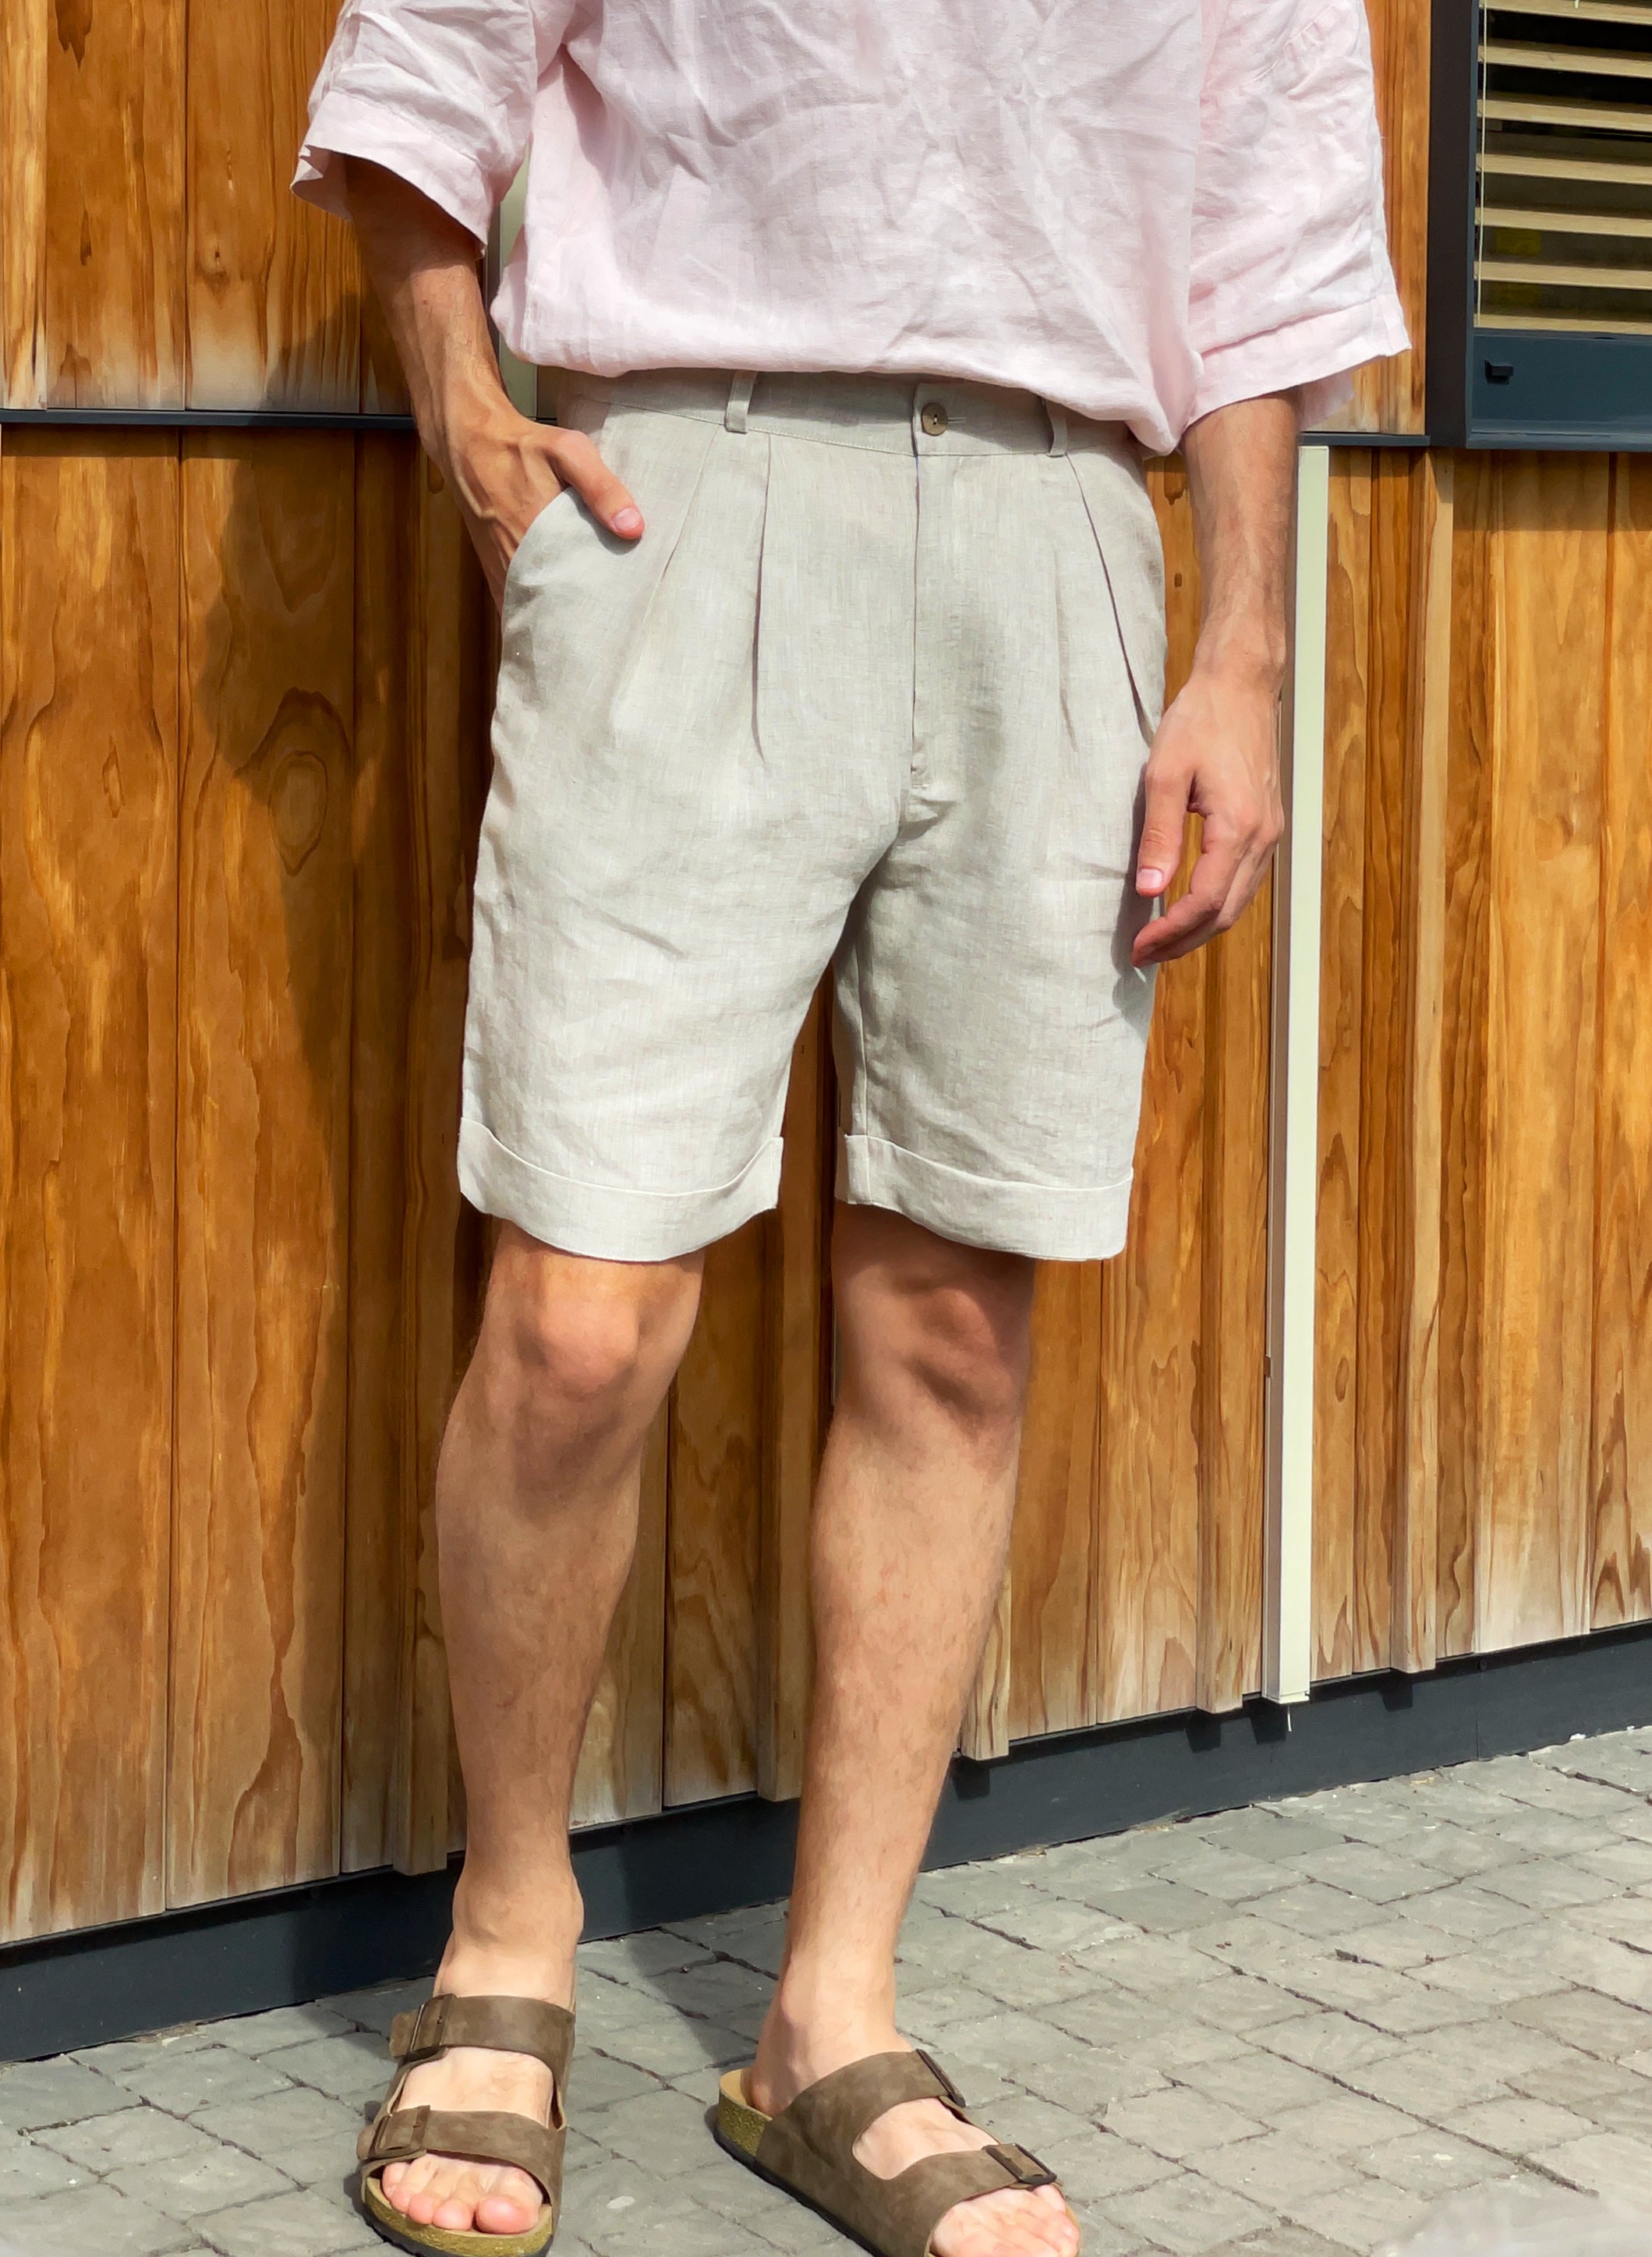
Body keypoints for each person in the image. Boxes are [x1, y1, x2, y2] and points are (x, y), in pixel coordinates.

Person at [293, 6, 1405, 2252]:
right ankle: (508, 1939)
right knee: (582, 1315)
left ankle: (830, 2019)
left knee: (956, 1330)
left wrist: (1248, 649)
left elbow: (1266, 231)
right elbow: (424, 65)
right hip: (685, 489)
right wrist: (468, 419)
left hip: (1062, 531)